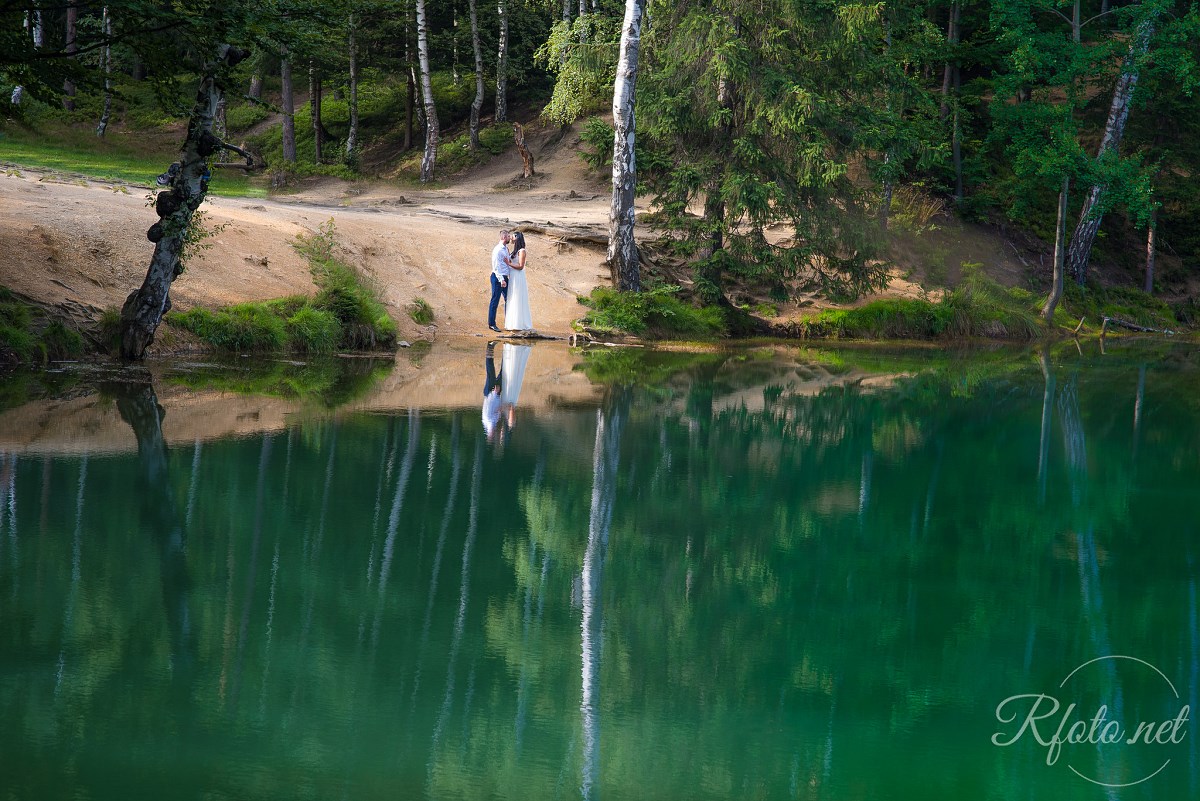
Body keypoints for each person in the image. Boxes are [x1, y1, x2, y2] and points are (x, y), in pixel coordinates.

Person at [504, 231, 533, 332]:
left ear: (517, 238)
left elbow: (521, 266)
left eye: (512, 236)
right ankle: (512, 323)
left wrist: (509, 264)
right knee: (512, 297)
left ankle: (519, 323)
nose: (511, 238)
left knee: (517, 297)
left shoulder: (522, 251)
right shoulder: (515, 251)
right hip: (513, 276)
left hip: (518, 277)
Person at [488, 229, 513, 333]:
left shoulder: (506, 249)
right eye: (508, 237)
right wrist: (501, 280)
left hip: (505, 277)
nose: (509, 238)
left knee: (509, 299)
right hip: (498, 278)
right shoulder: (498, 250)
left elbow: (508, 262)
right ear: (503, 237)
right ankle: (492, 324)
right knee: (495, 300)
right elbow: (496, 266)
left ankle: (508, 322)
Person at [482, 340, 503, 439]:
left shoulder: (489, 421)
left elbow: (488, 405)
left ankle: (490, 346)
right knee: (504, 374)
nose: (494, 432)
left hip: (490, 393)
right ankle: (507, 351)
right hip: (495, 394)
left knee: (490, 370)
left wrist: (494, 393)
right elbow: (498, 410)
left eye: (493, 433)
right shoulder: (491, 423)